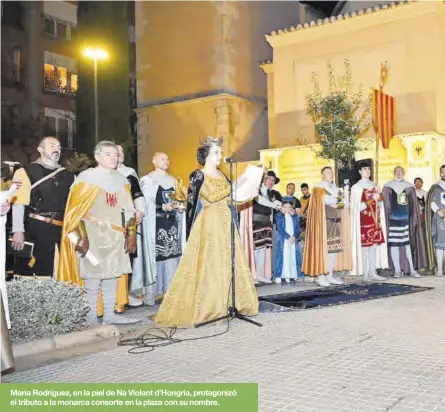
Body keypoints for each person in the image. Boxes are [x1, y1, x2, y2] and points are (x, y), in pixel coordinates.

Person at [155, 136, 261, 328]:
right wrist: (235, 184)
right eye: (216, 152)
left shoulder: (222, 175)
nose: (220, 155)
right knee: (211, 265)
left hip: (226, 220)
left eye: (220, 152)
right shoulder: (198, 175)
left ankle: (230, 303)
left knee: (228, 263)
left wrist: (246, 191)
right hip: (209, 223)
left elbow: (230, 199)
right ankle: (210, 308)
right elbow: (210, 197)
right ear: (206, 155)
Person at [57, 141, 140, 325]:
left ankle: (109, 315)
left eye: (115, 154)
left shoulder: (122, 180)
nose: (114, 157)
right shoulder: (86, 179)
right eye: (109, 154)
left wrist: (131, 233)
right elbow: (74, 212)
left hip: (115, 237)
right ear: (98, 157)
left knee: (112, 276)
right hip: (92, 237)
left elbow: (129, 210)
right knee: (92, 279)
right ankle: (91, 318)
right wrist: (80, 237)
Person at [9, 137, 75, 278]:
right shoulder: (25, 172)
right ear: (40, 150)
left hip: (61, 230)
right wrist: (18, 230)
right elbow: (18, 203)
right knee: (34, 274)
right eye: (51, 145)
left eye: (59, 146)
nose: (57, 148)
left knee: (57, 272)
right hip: (36, 229)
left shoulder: (70, 176)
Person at [131, 152, 186, 305]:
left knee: (172, 259)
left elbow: (182, 202)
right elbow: (144, 205)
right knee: (153, 259)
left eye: (168, 158)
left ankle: (171, 293)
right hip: (154, 226)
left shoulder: (175, 181)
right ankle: (151, 294)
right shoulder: (147, 181)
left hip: (172, 226)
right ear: (154, 161)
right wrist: (163, 206)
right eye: (163, 158)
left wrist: (180, 207)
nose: (166, 161)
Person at [302, 166, 346, 287]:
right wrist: (338, 200)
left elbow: (345, 201)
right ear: (322, 175)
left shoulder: (335, 188)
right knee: (323, 250)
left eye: (331, 172)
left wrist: (339, 203)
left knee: (333, 250)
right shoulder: (319, 187)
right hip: (323, 223)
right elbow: (327, 200)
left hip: (335, 222)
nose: (330, 174)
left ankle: (329, 275)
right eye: (327, 172)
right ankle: (320, 276)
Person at [382, 166, 428, 278]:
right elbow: (385, 205)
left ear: (404, 173)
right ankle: (397, 270)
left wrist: (414, 220)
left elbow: (414, 206)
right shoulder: (387, 187)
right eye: (397, 171)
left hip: (406, 221)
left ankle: (412, 270)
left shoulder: (409, 187)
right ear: (393, 173)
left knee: (408, 245)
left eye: (401, 171)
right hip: (393, 221)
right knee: (394, 245)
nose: (398, 173)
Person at [116, 144, 145, 309]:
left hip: (128, 220)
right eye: (115, 151)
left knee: (128, 255)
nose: (119, 154)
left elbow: (137, 194)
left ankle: (125, 294)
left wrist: (140, 211)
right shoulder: (99, 174)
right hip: (108, 221)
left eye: (121, 151)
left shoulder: (129, 174)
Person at [350, 160, 387, 281]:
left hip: (375, 220)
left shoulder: (374, 185)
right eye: (365, 169)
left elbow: (380, 204)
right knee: (365, 248)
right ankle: (365, 274)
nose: (367, 171)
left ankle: (373, 272)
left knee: (374, 247)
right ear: (360, 172)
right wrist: (372, 199)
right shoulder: (356, 187)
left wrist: (379, 197)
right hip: (364, 221)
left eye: (369, 169)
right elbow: (357, 207)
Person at [273, 197, 302, 284]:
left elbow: (297, 228)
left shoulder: (294, 216)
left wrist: (294, 236)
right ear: (282, 206)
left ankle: (292, 275)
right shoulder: (279, 215)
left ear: (292, 208)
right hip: (284, 239)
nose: (287, 209)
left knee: (292, 256)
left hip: (292, 240)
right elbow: (280, 228)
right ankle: (281, 275)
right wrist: (288, 237)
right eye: (285, 207)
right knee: (283, 256)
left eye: (289, 207)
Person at [425, 165, 445, 276]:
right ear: (440, 173)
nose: (444, 173)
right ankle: (440, 269)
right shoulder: (435, 187)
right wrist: (438, 211)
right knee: (439, 244)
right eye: (442, 172)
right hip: (439, 219)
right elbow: (431, 202)